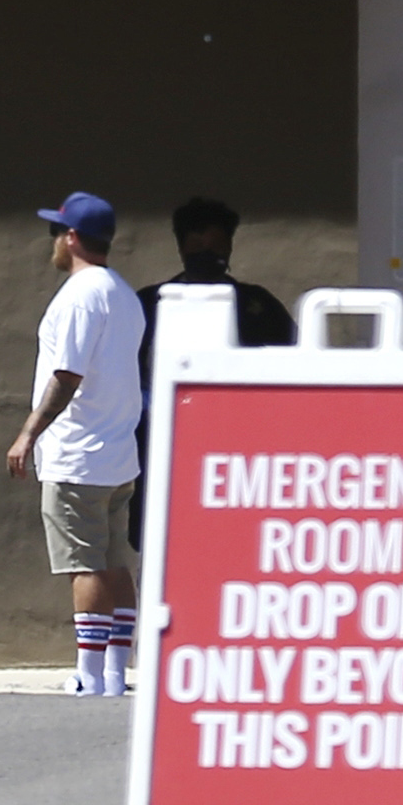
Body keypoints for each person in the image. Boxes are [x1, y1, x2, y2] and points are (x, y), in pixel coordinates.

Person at [5, 191, 147, 696]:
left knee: (83, 565)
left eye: (56, 232)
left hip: (77, 454)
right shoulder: (123, 294)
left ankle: (89, 675)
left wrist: (29, 433)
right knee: (115, 563)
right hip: (117, 453)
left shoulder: (80, 296)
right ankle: (114, 672)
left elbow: (67, 374)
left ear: (71, 238)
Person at [130, 196, 299, 548]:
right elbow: (126, 373)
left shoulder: (257, 306)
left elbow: (290, 366)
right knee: (159, 535)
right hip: (160, 442)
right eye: (198, 246)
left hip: (234, 447)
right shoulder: (149, 304)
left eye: (217, 246)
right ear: (182, 248)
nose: (208, 254)